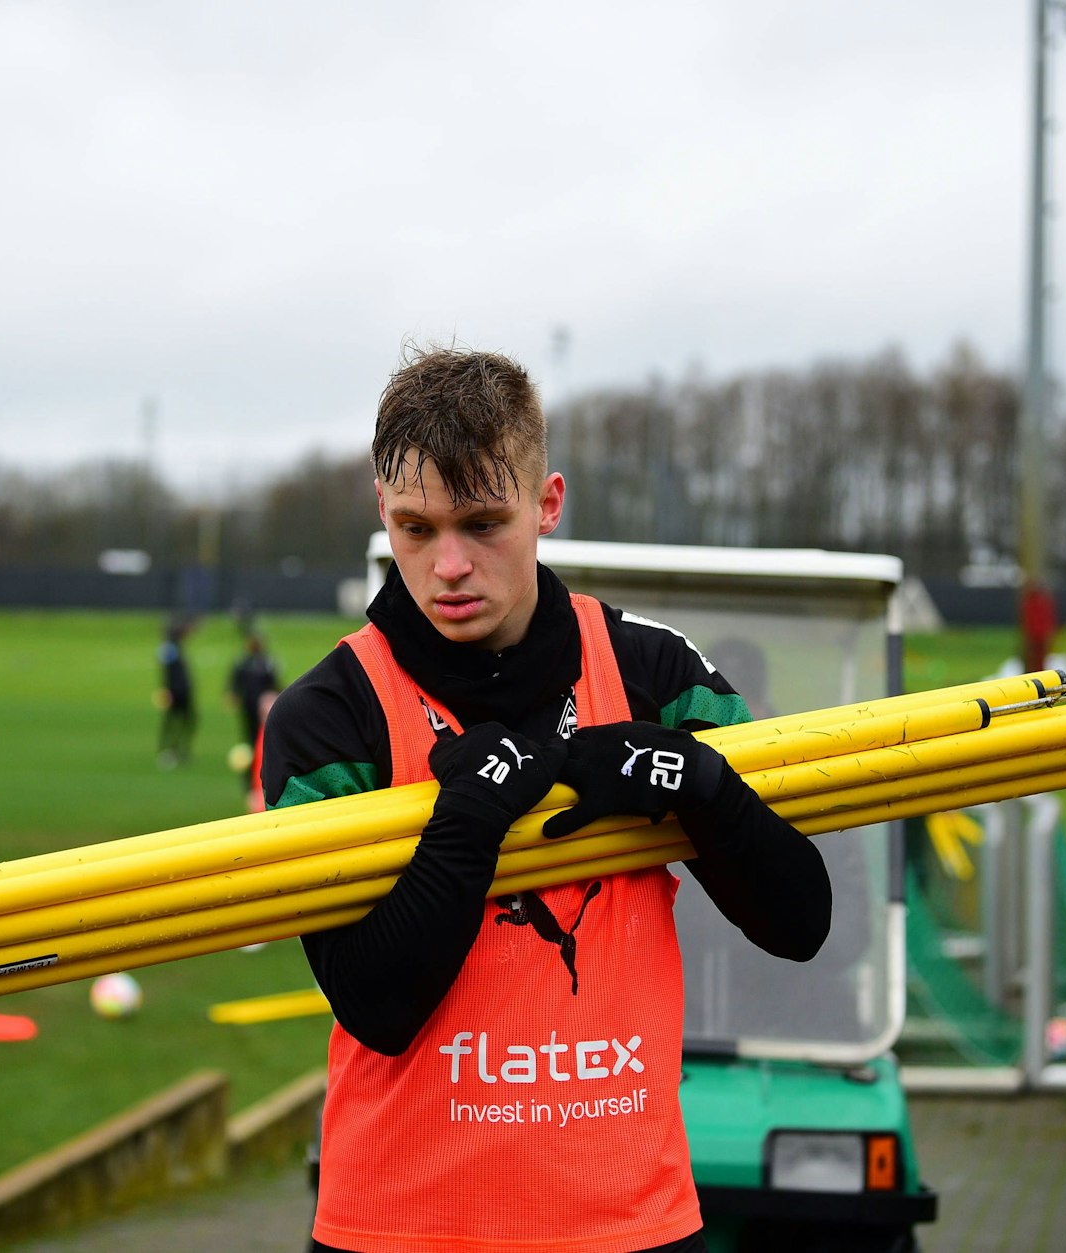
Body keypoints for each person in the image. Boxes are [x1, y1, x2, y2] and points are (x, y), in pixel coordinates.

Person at [260, 348, 833, 1253]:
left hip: (629, 1226)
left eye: (484, 522)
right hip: (401, 1231)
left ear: (548, 502)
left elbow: (800, 918)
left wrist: (702, 784)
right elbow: (375, 1003)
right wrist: (471, 820)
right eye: (416, 528)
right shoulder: (328, 714)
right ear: (382, 510)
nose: (449, 565)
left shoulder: (653, 672)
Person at [227, 632, 281, 771]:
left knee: (262, 731)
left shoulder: (266, 663)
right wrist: (233, 693)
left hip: (262, 706)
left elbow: (274, 682)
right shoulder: (245, 662)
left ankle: (260, 757)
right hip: (249, 704)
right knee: (251, 731)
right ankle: (254, 757)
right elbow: (236, 679)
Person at [155, 621, 195, 769]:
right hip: (178, 691)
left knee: (179, 721)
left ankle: (174, 748)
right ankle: (169, 749)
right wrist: (167, 690)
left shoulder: (172, 647)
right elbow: (168, 672)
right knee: (176, 721)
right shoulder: (170, 649)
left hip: (181, 690)